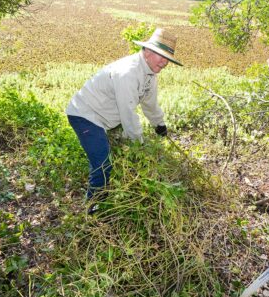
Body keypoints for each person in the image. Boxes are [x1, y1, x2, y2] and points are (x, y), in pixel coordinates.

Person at [66, 28, 182, 209]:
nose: (165, 62)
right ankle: (92, 209)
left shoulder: (150, 74)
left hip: (106, 118)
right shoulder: (128, 72)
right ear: (148, 51)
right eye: (162, 56)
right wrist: (139, 144)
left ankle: (103, 199)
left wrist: (159, 124)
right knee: (103, 165)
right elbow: (128, 113)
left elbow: (150, 103)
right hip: (85, 114)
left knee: (115, 152)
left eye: (168, 59)